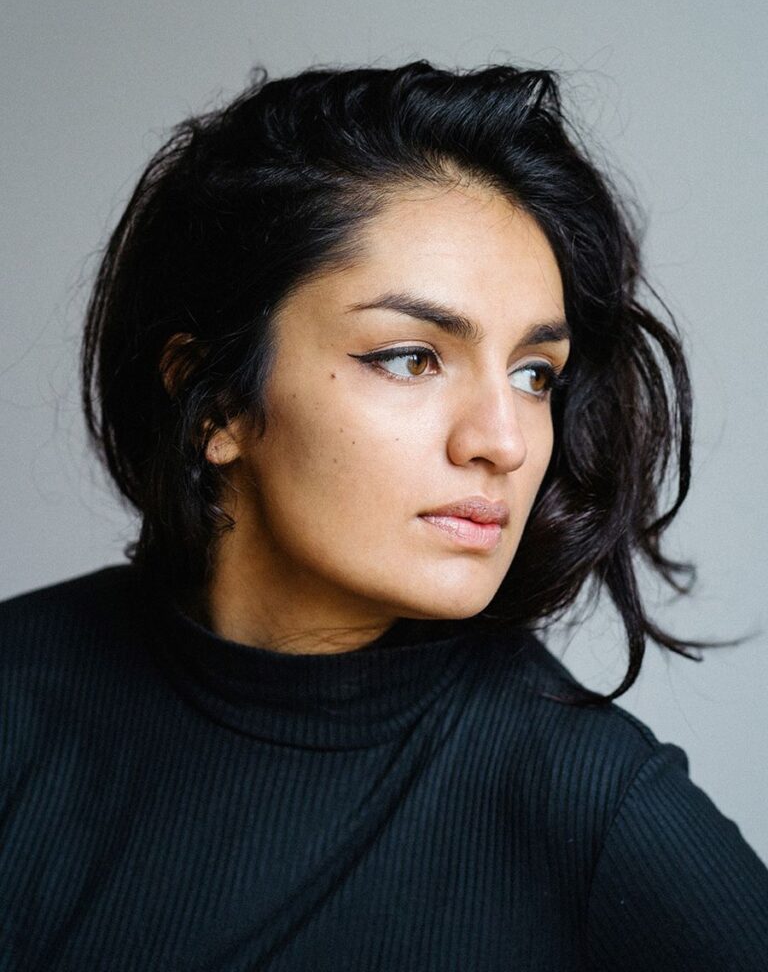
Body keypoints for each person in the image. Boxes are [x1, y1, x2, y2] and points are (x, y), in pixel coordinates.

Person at [0, 61, 766, 971]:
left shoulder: (590, 796)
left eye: (534, 375)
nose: (504, 441)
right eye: (411, 358)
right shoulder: (20, 694)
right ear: (214, 404)